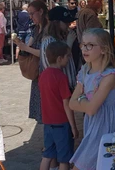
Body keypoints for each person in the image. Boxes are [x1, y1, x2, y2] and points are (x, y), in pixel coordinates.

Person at [69, 28, 115, 170]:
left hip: (104, 128)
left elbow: (92, 109)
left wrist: (81, 99)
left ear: (104, 49)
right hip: (91, 127)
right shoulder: (84, 71)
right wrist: (85, 102)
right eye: (83, 44)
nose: (84, 49)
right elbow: (71, 103)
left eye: (90, 45)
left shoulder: (109, 76)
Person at [39, 41, 78, 170]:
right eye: (67, 56)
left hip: (48, 122)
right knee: (64, 159)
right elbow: (66, 103)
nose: (69, 59)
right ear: (60, 58)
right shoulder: (61, 77)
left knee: (47, 155)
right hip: (61, 122)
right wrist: (73, 126)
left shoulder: (43, 75)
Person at [13, 0, 49, 123]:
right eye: (29, 14)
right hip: (37, 72)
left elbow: (46, 53)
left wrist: (26, 48)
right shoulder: (35, 29)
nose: (30, 17)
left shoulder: (48, 29)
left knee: (48, 107)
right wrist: (21, 45)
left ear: (41, 12)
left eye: (32, 13)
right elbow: (29, 47)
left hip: (46, 70)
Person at [41, 6, 78, 91]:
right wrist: (69, 44)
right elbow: (54, 64)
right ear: (56, 22)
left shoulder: (60, 38)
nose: (68, 24)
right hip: (59, 89)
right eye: (65, 22)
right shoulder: (50, 41)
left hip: (67, 87)